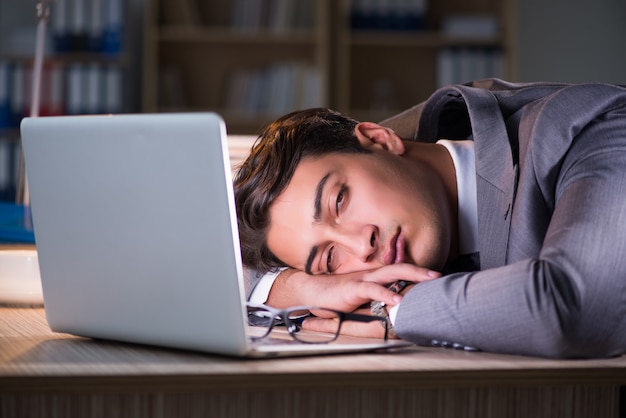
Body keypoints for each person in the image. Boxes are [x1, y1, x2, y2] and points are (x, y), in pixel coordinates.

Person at [233, 78, 626, 359]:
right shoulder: (398, 182)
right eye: (329, 258)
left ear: (380, 139)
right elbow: (227, 260)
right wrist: (302, 288)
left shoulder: (588, 126)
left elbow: (577, 307)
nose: (361, 245)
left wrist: (395, 309)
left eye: (339, 200)